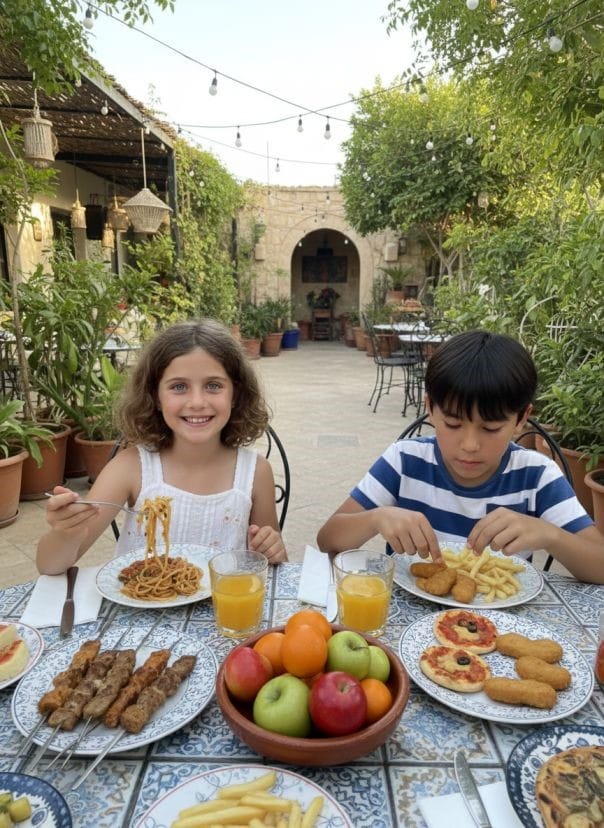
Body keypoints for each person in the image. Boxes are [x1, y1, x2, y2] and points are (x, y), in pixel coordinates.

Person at [317, 330, 604, 584]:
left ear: (521, 419)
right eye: (453, 424)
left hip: (498, 625)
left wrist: (549, 535)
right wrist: (375, 519)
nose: (469, 445)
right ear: (430, 408)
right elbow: (328, 539)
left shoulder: (536, 475)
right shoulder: (404, 461)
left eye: (490, 428)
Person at [37, 319, 287, 574]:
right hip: (139, 605)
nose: (197, 402)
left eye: (213, 385)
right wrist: (66, 532)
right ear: (155, 397)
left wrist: (272, 549)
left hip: (223, 611)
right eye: (179, 387)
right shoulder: (131, 467)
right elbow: (50, 566)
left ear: (235, 394)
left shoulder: (255, 472)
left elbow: (272, 562)